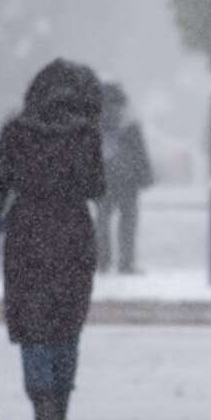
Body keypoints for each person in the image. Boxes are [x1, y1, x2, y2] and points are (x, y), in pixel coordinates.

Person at [0, 60, 106, 420]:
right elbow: (96, 187)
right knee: (67, 322)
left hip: (26, 232)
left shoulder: (15, 131)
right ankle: (60, 405)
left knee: (32, 325)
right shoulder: (85, 134)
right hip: (72, 233)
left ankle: (41, 407)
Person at [94, 80, 151, 275]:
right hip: (128, 180)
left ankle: (103, 261)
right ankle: (125, 263)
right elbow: (140, 153)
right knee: (127, 222)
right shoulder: (129, 124)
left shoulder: (96, 124)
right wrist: (145, 177)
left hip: (104, 179)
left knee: (102, 221)